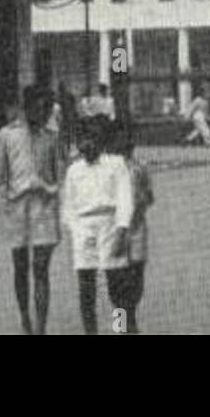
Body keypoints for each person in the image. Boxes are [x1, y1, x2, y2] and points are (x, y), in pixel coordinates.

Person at [0, 86, 61, 335]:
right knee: (20, 266)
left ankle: (41, 327)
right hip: (17, 207)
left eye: (48, 108)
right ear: (27, 108)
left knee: (41, 267)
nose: (45, 113)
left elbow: (60, 171)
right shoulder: (7, 135)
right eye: (40, 107)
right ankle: (25, 317)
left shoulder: (51, 136)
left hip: (44, 205)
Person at [61, 115, 135, 334]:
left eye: (92, 138)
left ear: (101, 140)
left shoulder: (115, 164)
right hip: (84, 228)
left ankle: (121, 328)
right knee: (86, 289)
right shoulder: (74, 171)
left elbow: (124, 199)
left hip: (110, 225)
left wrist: (122, 229)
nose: (87, 144)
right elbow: (68, 206)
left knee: (116, 288)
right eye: (82, 139)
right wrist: (77, 231)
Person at [113, 131, 153, 333]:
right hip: (116, 230)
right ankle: (120, 325)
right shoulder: (111, 171)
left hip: (137, 228)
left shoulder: (140, 167)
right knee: (118, 281)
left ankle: (131, 314)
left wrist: (140, 202)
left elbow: (150, 196)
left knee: (137, 278)